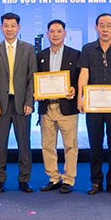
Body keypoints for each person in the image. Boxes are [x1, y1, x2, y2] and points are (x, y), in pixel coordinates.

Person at [77, 13, 111, 196]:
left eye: (109, 25)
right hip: (93, 104)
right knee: (95, 143)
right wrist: (80, 98)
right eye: (102, 25)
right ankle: (96, 181)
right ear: (96, 28)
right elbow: (84, 73)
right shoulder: (88, 49)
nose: (105, 29)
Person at [0, 12, 37, 193]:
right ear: (1, 28)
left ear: (18, 28)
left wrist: (30, 101)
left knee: (24, 143)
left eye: (13, 26)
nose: (9, 29)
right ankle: (0, 180)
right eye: (6, 26)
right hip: (1, 104)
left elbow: (32, 78)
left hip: (22, 103)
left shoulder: (28, 49)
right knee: (0, 143)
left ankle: (24, 179)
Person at [36, 20, 80, 194]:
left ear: (65, 33)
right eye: (52, 31)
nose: (55, 34)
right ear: (47, 34)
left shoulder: (75, 54)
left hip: (67, 107)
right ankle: (53, 178)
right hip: (47, 107)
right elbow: (35, 78)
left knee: (70, 146)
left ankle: (68, 179)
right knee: (47, 145)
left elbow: (80, 79)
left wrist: (74, 89)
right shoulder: (40, 55)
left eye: (59, 31)